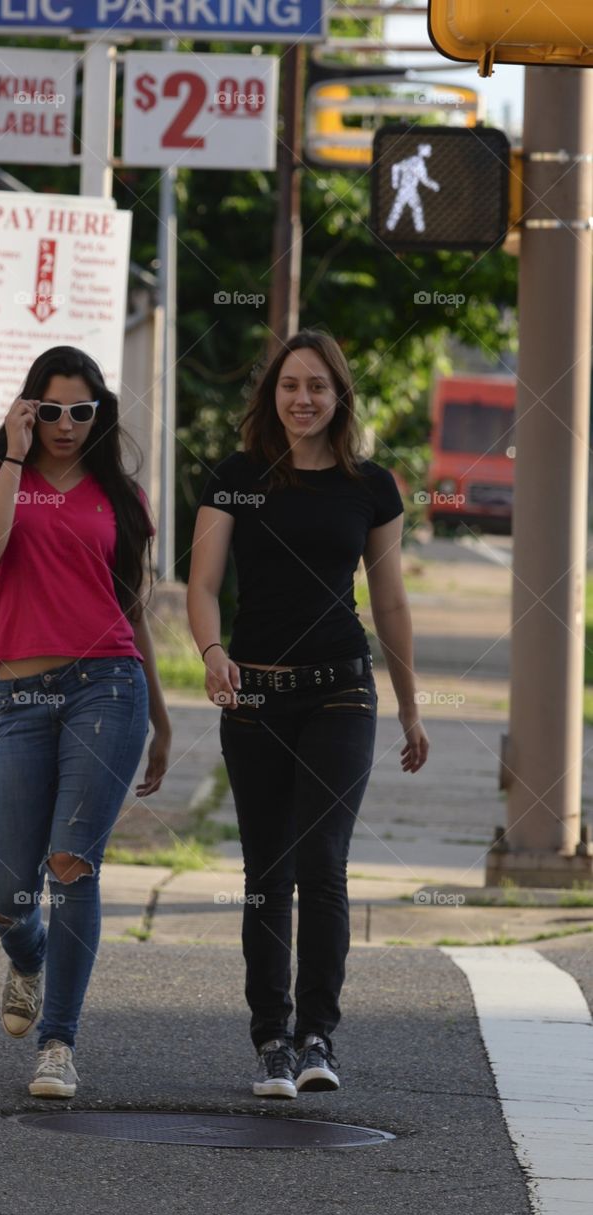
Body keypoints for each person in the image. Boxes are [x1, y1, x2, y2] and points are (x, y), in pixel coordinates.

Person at [186, 329, 429, 1100]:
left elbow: (389, 603)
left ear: (338, 397)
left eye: (318, 387)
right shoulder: (234, 478)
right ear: (272, 394)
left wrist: (411, 708)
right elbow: (201, 584)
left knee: (322, 865)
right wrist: (211, 651)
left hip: (339, 691)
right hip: (253, 693)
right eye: (291, 385)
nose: (303, 399)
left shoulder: (370, 488)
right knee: (267, 871)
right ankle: (270, 1042)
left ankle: (317, 1034)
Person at [0, 345, 170, 1098]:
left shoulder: (121, 496)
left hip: (107, 686)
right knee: (7, 896)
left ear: (98, 414)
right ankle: (26, 957)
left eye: (82, 411)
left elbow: (130, 611)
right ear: (27, 409)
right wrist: (14, 457)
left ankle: (59, 1044)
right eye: (50, 411)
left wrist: (162, 717)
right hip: (23, 700)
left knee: (72, 864)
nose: (67, 426)